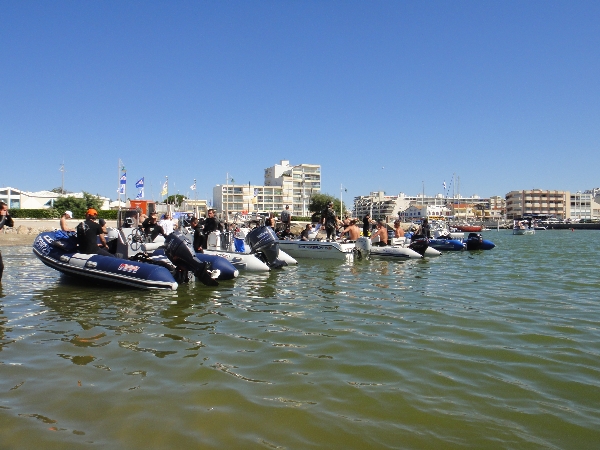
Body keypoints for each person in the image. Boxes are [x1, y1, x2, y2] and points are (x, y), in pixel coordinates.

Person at [0, 201, 15, 282]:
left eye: (7, 210)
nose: (6, 212)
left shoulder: (2, 218)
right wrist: (3, 216)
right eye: (5, 210)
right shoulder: (1, 218)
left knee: (1, 267)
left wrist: (8, 216)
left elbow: (11, 224)